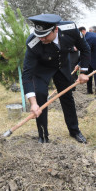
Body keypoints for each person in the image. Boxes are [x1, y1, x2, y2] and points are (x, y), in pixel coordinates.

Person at [22, 14, 90, 144]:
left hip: (62, 66)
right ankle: (43, 136)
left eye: (45, 35)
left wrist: (83, 71)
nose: (41, 38)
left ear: (56, 30)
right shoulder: (33, 43)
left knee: (67, 97)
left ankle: (74, 131)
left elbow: (85, 49)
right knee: (40, 97)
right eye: (39, 35)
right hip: (42, 70)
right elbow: (27, 74)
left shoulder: (70, 29)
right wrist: (33, 102)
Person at [78, 26, 96, 94]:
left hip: (94, 59)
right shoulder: (90, 35)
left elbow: (87, 52)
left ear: (83, 31)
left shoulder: (88, 38)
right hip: (90, 59)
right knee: (88, 74)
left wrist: (79, 64)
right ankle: (89, 91)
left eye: (79, 34)